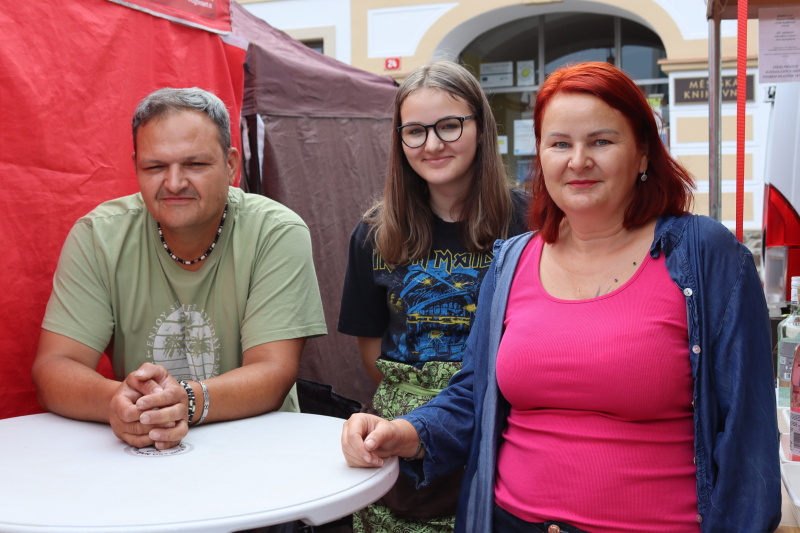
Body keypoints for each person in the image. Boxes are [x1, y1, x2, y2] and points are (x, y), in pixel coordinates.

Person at [341, 62, 781, 532]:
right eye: (560, 144)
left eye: (601, 141)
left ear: (643, 153)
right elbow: (474, 394)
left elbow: (748, 434)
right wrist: (405, 432)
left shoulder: (705, 255)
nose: (578, 161)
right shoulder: (512, 260)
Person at [32, 87, 327, 452]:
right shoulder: (98, 236)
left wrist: (183, 402)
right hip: (145, 451)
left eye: (195, 165)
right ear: (136, 167)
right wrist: (118, 401)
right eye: (155, 167)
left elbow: (273, 371)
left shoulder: (275, 232)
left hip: (259, 448)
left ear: (231, 165)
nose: (174, 183)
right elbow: (55, 367)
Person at [337, 60, 528, 533]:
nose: (433, 144)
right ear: (400, 140)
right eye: (415, 131)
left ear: (480, 128)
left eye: (449, 126)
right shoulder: (373, 234)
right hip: (400, 445)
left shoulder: (530, 223)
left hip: (502, 431)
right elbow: (372, 350)